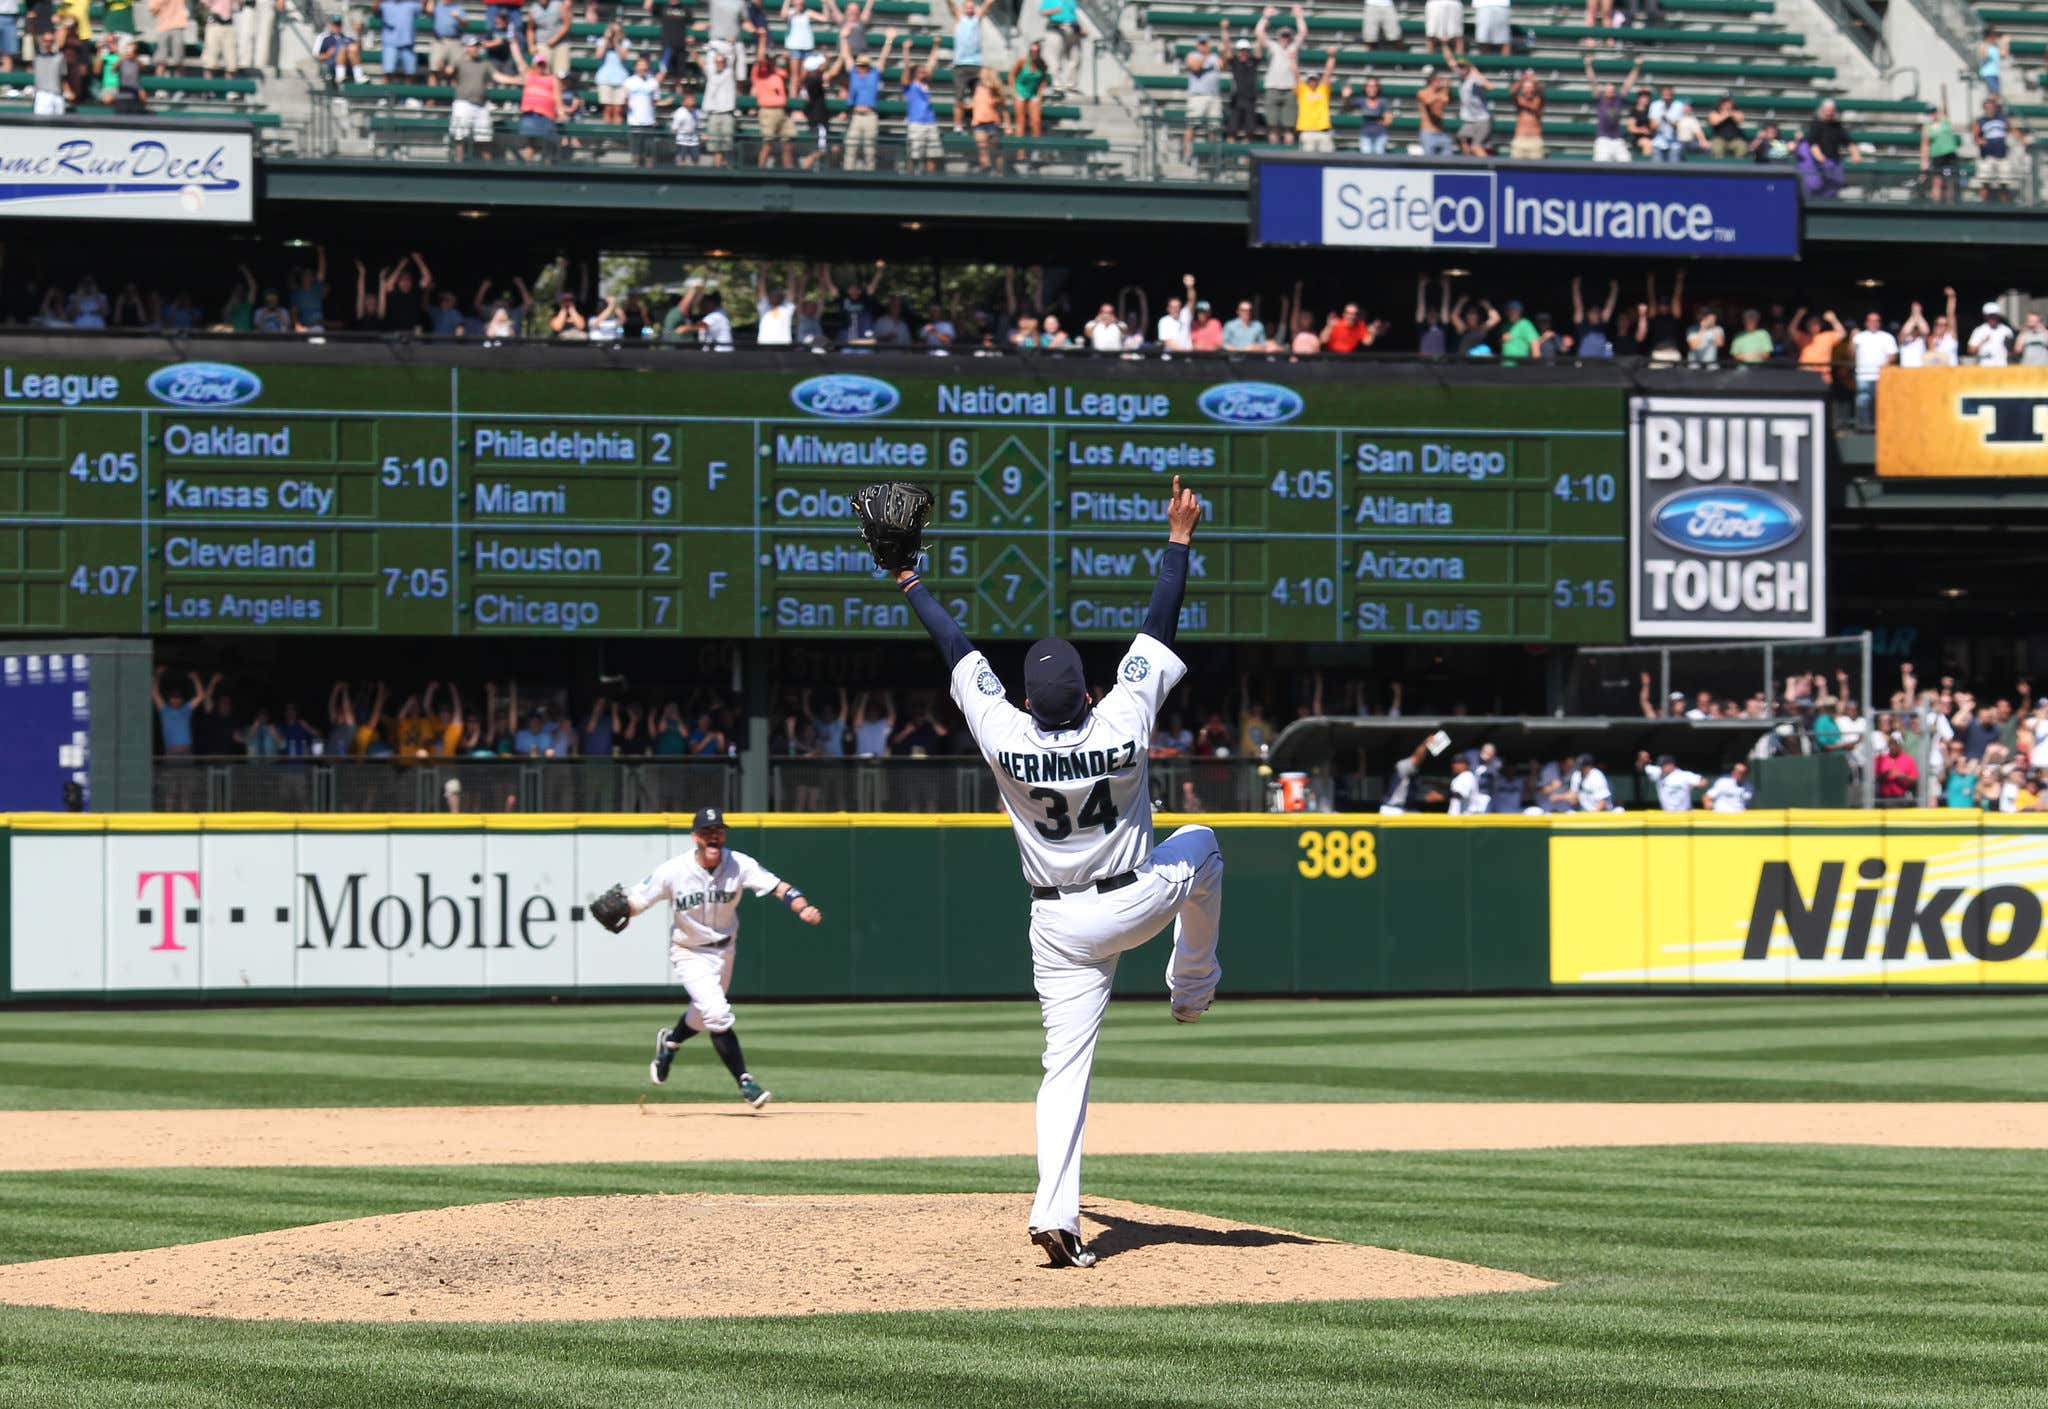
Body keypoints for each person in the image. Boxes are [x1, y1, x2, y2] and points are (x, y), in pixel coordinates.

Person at [888, 475, 1222, 1270]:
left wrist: (908, 579)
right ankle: (1192, 984)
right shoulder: (1123, 719)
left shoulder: (1004, 735)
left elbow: (955, 647)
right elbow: (1160, 622)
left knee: (1064, 1069)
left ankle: (1056, 1213)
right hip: (1135, 894)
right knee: (1205, 842)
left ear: (1030, 702)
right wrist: (1178, 541)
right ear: (1089, 692)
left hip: (1055, 925)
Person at [591, 807, 822, 1109]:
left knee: (701, 1016)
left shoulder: (739, 864)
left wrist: (802, 907)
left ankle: (670, 1043)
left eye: (718, 831)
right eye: (707, 832)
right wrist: (624, 910)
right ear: (695, 837)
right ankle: (746, 1082)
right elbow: (637, 901)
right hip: (689, 952)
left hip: (726, 950)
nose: (713, 836)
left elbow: (781, 887)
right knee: (716, 1013)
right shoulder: (673, 870)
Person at [1254, 3, 1303, 144]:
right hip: (1273, 88)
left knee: (1289, 128)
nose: (1285, 38)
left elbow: (1303, 32)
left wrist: (1299, 17)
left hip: (1290, 89)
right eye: (1283, 36)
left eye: (1287, 36)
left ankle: (1288, 157)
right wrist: (1265, 17)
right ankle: (1273, 155)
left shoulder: (1293, 47)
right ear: (1278, 37)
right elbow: (1259, 33)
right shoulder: (1273, 47)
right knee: (1272, 127)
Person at [1850, 310, 1896, 432]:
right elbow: (1851, 353)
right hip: (1863, 376)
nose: (1874, 323)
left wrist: (1885, 365)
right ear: (1866, 323)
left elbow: (1893, 355)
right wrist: (1852, 338)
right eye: (1871, 320)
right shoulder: (1859, 337)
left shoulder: (1886, 337)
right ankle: (1865, 429)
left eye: (1876, 321)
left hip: (1880, 376)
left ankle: (1882, 428)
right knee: (1863, 402)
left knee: (1881, 403)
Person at [1973, 96, 2021, 205]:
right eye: (1987, 107)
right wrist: (1979, 141)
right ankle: (1982, 205)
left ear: (1995, 107)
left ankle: (2005, 205)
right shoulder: (1980, 121)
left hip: (2002, 155)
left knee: (2004, 183)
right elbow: (1975, 136)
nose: (1990, 109)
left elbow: (2013, 130)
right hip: (1987, 156)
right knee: (1985, 182)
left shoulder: (2002, 119)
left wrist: (2022, 139)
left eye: (1991, 106)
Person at [1293, 47, 1335, 151]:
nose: (1312, 82)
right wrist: (1292, 59)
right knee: (1307, 162)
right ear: (1307, 81)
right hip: (1307, 131)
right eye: (1310, 79)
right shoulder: (1303, 90)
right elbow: (1295, 75)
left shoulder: (1322, 90)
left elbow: (1328, 73)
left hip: (1323, 130)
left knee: (1327, 159)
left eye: (1314, 79)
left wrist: (1331, 57)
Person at [1342, 73, 1389, 154]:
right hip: (1365, 135)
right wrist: (1346, 97)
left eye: (1374, 86)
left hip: (1380, 135)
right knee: (1366, 159)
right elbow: (1347, 109)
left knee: (1379, 159)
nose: (1372, 89)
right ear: (1365, 88)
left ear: (1378, 88)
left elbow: (1388, 119)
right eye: (1369, 86)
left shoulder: (1382, 101)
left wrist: (1383, 121)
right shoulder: (1362, 100)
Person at [1415, 64, 1452, 156]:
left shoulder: (1440, 93)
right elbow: (1428, 101)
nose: (1439, 83)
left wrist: (1447, 87)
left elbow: (1446, 100)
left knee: (1448, 159)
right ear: (1432, 81)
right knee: (1429, 161)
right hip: (1428, 133)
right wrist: (1441, 95)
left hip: (1440, 132)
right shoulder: (1422, 93)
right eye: (1438, 80)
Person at [1968, 301, 2014, 366]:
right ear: (1985, 316)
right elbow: (1971, 350)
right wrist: (1982, 342)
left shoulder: (2006, 330)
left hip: (2002, 366)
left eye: (1994, 315)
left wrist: (2009, 346)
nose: (1992, 318)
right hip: (1985, 366)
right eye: (1990, 316)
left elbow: (2013, 351)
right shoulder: (1979, 330)